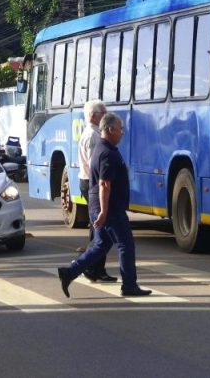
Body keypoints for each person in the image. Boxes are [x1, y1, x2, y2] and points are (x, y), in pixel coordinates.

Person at [58, 113, 151, 298]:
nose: (122, 133)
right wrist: (104, 212)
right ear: (110, 130)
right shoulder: (107, 152)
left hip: (103, 207)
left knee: (100, 246)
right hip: (110, 208)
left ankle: (69, 272)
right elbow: (104, 184)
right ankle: (129, 285)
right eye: (120, 129)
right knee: (125, 244)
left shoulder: (104, 149)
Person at [77, 100, 115, 283]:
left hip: (89, 183)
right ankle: (91, 267)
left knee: (97, 229)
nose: (106, 117)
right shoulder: (93, 136)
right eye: (103, 113)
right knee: (100, 229)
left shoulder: (91, 133)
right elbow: (97, 167)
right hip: (91, 184)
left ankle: (94, 267)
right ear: (93, 116)